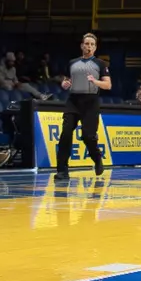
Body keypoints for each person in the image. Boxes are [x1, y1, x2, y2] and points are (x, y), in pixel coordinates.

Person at [56, 34, 111, 179]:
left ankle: (97, 158)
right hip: (73, 101)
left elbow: (107, 85)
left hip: (91, 102)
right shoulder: (72, 63)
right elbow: (67, 80)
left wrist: (95, 81)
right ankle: (62, 170)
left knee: (88, 136)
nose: (89, 47)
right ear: (82, 46)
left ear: (95, 47)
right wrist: (65, 84)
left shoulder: (101, 64)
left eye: (92, 44)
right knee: (66, 134)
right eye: (87, 44)